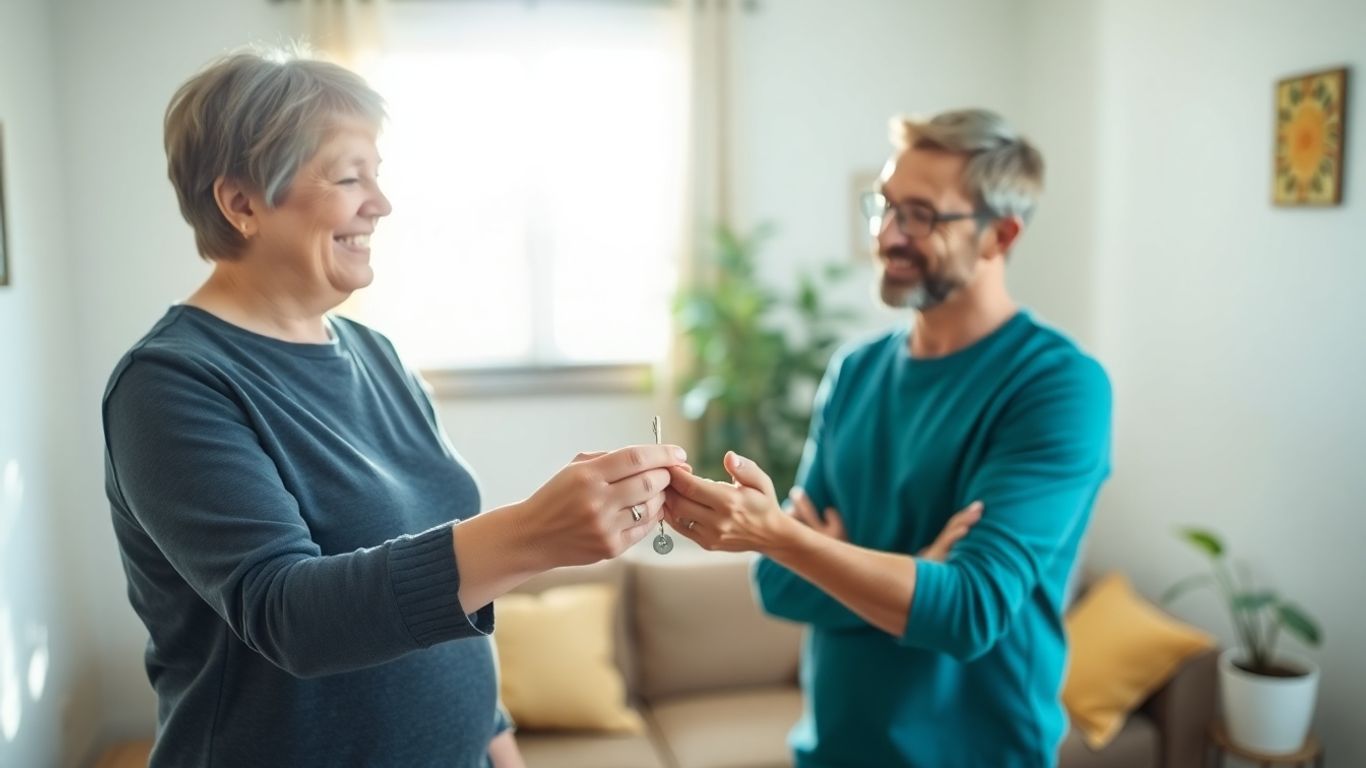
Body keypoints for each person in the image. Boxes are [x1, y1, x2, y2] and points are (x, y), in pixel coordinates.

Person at [101, 48, 686, 768]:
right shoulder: (170, 383)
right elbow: (290, 615)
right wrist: (534, 531)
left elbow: (437, 583)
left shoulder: (377, 355)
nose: (380, 204)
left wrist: (494, 735)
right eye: (350, 178)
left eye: (377, 177)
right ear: (241, 203)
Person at [663, 109, 1112, 766]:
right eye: (886, 207)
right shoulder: (856, 371)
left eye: (922, 216)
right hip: (833, 749)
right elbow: (778, 587)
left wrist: (795, 541)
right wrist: (916, 574)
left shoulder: (1058, 385)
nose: (888, 235)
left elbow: (968, 613)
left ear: (999, 235)